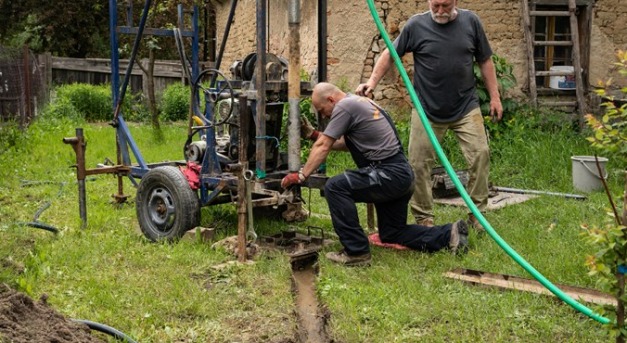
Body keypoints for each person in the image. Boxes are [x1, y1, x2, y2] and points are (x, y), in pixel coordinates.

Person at [281, 82, 468, 267]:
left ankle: (356, 252)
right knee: (392, 233)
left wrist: (301, 176)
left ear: (331, 99)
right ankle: (449, 234)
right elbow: (347, 144)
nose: (323, 115)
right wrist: (314, 134)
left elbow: (324, 145)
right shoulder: (358, 103)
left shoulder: (345, 106)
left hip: (388, 174)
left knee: (335, 187)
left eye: (322, 110)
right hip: (401, 175)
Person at [356, 0, 503, 231]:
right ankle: (424, 217)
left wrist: (495, 97)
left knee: (480, 155)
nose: (440, 11)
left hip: (465, 107)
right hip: (426, 110)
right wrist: (371, 83)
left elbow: (485, 60)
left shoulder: (471, 22)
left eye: (445, 5)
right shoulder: (416, 25)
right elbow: (389, 54)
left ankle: (477, 215)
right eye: (435, 5)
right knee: (418, 163)